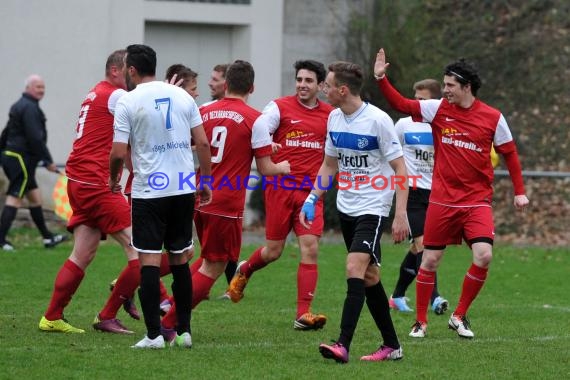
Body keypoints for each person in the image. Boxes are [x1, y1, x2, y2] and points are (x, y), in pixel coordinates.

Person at [374, 48, 529, 339]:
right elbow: (401, 104)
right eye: (444, 85)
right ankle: (420, 322)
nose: (445, 90)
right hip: (442, 201)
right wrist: (381, 78)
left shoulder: (494, 117)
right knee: (430, 260)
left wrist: (519, 192)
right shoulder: (437, 109)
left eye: (450, 86)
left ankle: (459, 315)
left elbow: (510, 154)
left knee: (484, 256)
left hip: (476, 202)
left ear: (466, 87)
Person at [159, 60, 291, 335]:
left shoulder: (204, 110)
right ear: (252, 87)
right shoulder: (256, 119)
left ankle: (171, 306)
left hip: (197, 193)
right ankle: (169, 323)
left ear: (226, 84)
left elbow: (193, 143)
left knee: (203, 259)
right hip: (225, 202)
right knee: (214, 267)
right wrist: (282, 166)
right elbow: (266, 169)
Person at [302, 61, 407, 363]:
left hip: (373, 208)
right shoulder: (334, 118)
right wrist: (312, 197)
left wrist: (399, 214)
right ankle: (392, 345)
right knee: (370, 276)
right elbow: (329, 164)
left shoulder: (378, 121)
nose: (323, 89)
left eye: (327, 84)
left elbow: (400, 168)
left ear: (342, 90)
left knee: (353, 269)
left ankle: (342, 344)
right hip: (346, 206)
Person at [110, 44, 211, 349]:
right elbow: (203, 144)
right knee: (181, 261)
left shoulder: (128, 101)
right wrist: (204, 180)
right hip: (182, 187)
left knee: (149, 263)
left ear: (131, 70)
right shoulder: (182, 96)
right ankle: (184, 332)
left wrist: (113, 176)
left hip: (150, 191)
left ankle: (153, 335)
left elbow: (117, 151)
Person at [227, 60, 334, 330]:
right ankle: (246, 269)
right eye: (299, 79)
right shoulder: (278, 107)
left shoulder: (331, 115)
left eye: (308, 81)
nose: (302, 85)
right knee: (273, 251)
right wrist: (267, 145)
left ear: (321, 85)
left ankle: (302, 314)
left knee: (310, 248)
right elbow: (258, 129)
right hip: (280, 189)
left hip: (310, 193)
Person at [37, 50, 137, 334]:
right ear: (117, 71)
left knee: (83, 253)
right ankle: (108, 314)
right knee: (140, 249)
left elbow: (120, 141)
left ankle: (52, 316)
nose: (133, 75)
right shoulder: (116, 96)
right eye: (130, 70)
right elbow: (143, 117)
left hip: (80, 180)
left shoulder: (96, 93)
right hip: (97, 183)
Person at [388, 79, 449, 315]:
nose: (417, 104)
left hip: (436, 194)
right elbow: (392, 156)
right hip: (411, 193)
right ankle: (435, 298)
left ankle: (397, 296)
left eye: (422, 100)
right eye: (415, 99)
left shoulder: (441, 126)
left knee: (418, 248)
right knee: (424, 245)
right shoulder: (403, 125)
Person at [0, 75, 68, 251]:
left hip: (14, 157)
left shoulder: (19, 105)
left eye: (43, 87)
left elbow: (7, 131)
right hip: (19, 159)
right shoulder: (29, 108)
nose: (41, 90)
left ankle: (47, 238)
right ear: (28, 87)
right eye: (38, 87)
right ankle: (1, 240)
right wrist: (48, 161)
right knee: (15, 197)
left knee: (35, 197)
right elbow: (35, 138)